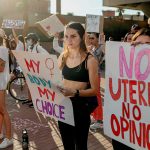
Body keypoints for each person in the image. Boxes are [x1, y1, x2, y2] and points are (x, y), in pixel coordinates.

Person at [57, 22, 99, 150]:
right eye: (66, 36)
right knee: (67, 145)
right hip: (63, 106)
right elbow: (58, 79)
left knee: (80, 145)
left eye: (73, 36)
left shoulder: (90, 60)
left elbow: (95, 90)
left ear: (82, 37)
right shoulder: (63, 56)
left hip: (80, 108)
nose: (69, 40)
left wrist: (75, 92)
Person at [112, 27, 150, 150]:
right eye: (138, 44)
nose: (143, 48)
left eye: (147, 44)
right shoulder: (122, 69)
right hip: (126, 129)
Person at [22, 33, 49, 108]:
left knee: (37, 87)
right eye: (27, 39)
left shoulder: (38, 47)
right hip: (31, 70)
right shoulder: (30, 47)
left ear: (33, 40)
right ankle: (31, 100)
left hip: (38, 71)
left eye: (29, 39)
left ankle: (37, 103)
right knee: (30, 86)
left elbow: (47, 55)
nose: (27, 41)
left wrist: (36, 59)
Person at [85, 32, 104, 130]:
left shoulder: (101, 48)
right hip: (91, 74)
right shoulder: (92, 48)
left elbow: (95, 61)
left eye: (92, 38)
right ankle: (96, 116)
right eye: (90, 38)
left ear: (98, 39)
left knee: (96, 96)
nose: (91, 40)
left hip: (96, 74)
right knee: (92, 96)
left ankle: (100, 120)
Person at [0, 30, 13, 149]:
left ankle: (9, 138)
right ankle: (1, 133)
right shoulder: (2, 49)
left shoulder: (2, 49)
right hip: (1, 83)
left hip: (0, 84)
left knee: (3, 109)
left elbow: (1, 67)